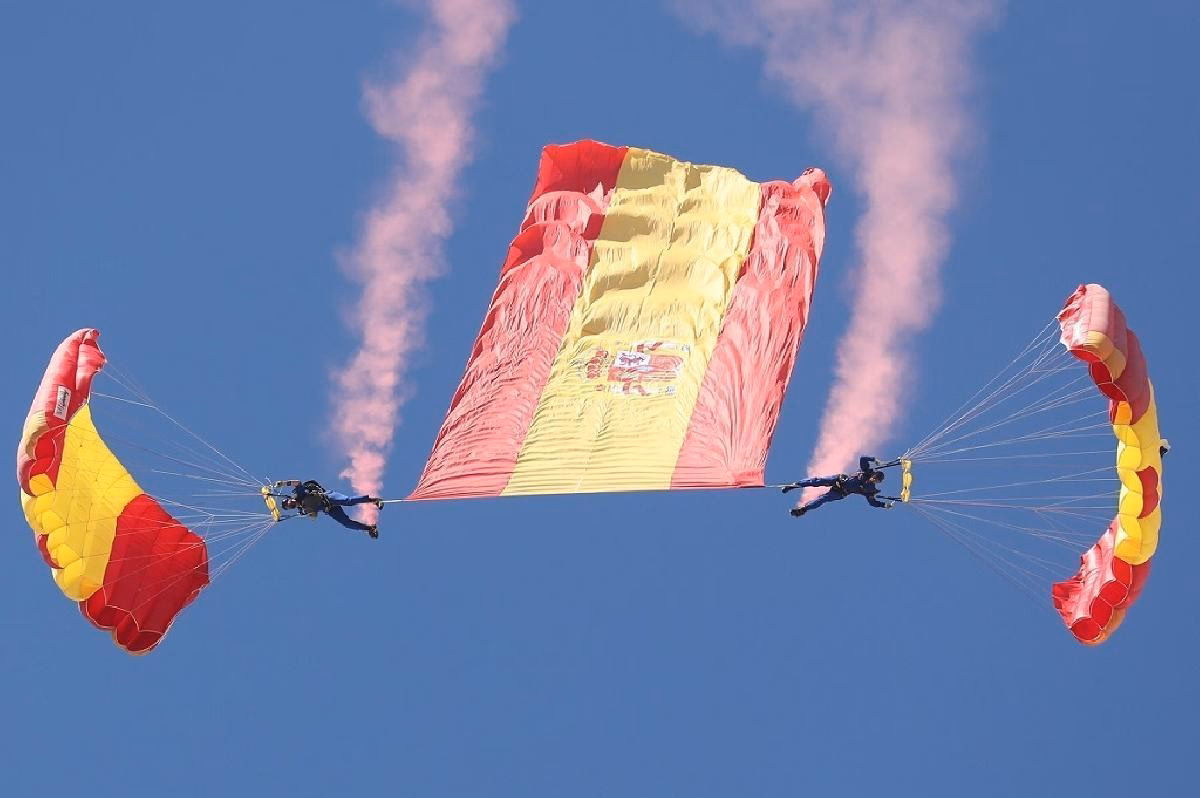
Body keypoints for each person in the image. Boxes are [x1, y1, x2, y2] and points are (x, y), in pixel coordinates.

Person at [782, 456, 901, 517]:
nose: (873, 479)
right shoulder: (865, 471)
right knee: (817, 480)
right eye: (875, 477)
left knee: (823, 499)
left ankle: (803, 510)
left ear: (877, 482)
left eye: (876, 480)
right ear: (873, 474)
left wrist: (884, 505)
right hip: (839, 480)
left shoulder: (870, 490)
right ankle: (795, 485)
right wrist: (874, 460)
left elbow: (872, 503)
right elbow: (862, 458)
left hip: (841, 492)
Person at [275, 479, 383, 538]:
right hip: (330, 509)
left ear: (290, 499)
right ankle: (370, 528)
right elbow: (314, 517)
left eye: (289, 503)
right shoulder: (303, 510)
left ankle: (374, 500)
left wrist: (283, 483)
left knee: (348, 501)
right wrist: (310, 513)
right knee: (346, 523)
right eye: (290, 507)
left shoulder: (300, 494)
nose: (291, 505)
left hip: (328, 497)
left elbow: (298, 483)